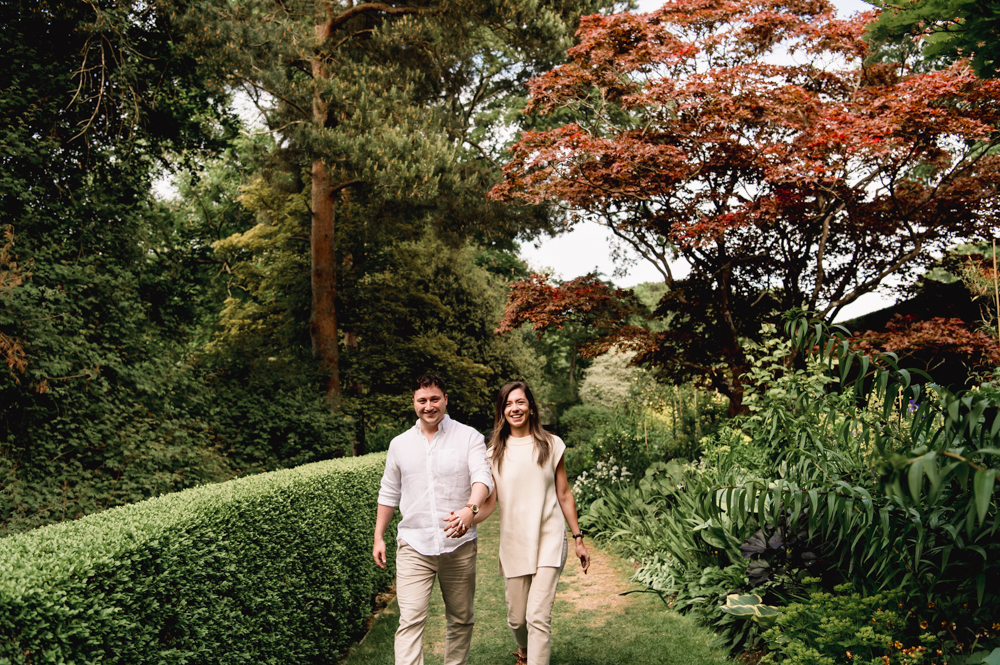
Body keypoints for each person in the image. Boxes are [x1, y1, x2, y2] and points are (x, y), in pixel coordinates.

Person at [372, 373, 494, 665]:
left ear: (445, 400)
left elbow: (482, 478)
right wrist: (378, 536)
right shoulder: (399, 444)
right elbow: (388, 492)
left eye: (434, 399)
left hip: (459, 546)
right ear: (413, 402)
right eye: (422, 400)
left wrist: (470, 509)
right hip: (414, 544)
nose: (429, 406)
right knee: (410, 621)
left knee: (461, 619)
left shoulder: (469, 437)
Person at [487, 380, 590, 665]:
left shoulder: (551, 444)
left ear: (531, 407)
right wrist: (467, 516)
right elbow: (489, 503)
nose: (514, 408)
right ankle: (523, 652)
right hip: (514, 542)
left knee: (537, 617)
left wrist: (578, 538)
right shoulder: (494, 452)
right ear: (501, 411)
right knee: (517, 619)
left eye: (519, 402)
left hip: (549, 537)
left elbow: (564, 494)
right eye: (507, 404)